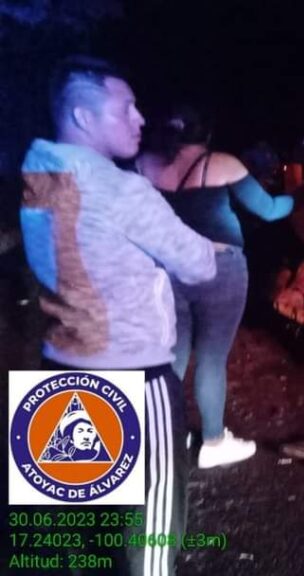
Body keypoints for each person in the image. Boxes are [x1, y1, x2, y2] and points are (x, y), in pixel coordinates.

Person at [20, 55, 217, 575]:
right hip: (132, 376)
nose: (141, 119)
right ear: (84, 117)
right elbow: (197, 264)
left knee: (71, 538)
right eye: (126, 108)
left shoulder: (36, 173)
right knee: (146, 543)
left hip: (60, 367)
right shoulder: (122, 189)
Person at [136, 105, 294, 469]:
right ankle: (212, 440)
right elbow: (269, 210)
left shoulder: (146, 164)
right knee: (211, 357)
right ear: (206, 133)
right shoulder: (222, 163)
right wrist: (298, 197)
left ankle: (164, 435)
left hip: (167, 267)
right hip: (219, 269)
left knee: (171, 354)